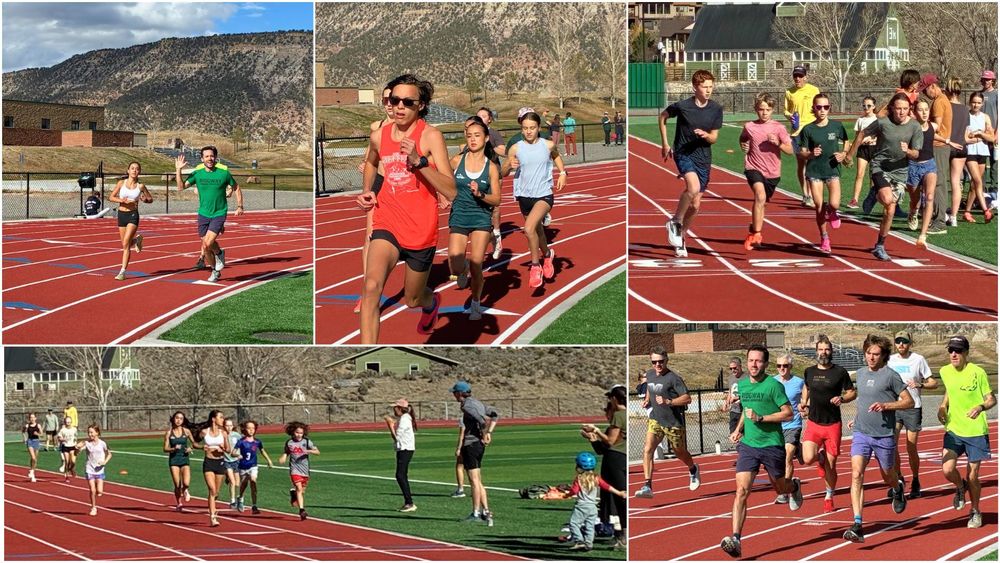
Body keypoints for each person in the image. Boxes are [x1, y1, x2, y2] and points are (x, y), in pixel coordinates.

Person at [356, 74, 457, 343]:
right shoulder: (379, 136)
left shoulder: (431, 136)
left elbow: (451, 190)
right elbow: (371, 161)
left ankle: (430, 302)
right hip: (387, 221)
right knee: (370, 288)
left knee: (412, 299)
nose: (399, 106)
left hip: (420, 230)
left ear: (421, 105)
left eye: (407, 102)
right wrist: (368, 192)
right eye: (394, 100)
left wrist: (420, 161)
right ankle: (368, 356)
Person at [721, 345, 802, 559]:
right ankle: (736, 538)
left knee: (780, 489)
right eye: (750, 360)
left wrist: (762, 418)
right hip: (749, 445)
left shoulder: (773, 386)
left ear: (765, 364)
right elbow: (746, 413)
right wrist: (739, 429)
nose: (754, 365)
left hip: (772, 444)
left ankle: (793, 485)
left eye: (758, 361)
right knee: (741, 491)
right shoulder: (742, 385)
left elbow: (787, 413)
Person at [842, 334, 914, 543]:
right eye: (868, 353)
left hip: (884, 435)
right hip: (861, 433)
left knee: (887, 476)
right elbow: (863, 400)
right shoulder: (861, 374)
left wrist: (887, 406)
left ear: (883, 356)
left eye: (876, 354)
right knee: (856, 475)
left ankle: (897, 487)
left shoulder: (891, 376)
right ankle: (857, 524)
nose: (871, 358)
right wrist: (855, 419)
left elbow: (908, 402)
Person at [844, 92, 923, 261]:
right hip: (880, 166)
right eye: (898, 109)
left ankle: (880, 245)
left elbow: (916, 153)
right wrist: (851, 154)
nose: (901, 112)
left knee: (891, 209)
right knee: (887, 199)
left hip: (900, 171)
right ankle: (876, 191)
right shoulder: (882, 123)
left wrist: (908, 151)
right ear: (892, 109)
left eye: (905, 109)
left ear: (910, 109)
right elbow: (861, 133)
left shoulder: (915, 127)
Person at [502, 109, 567, 289]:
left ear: (539, 127)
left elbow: (556, 156)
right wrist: (509, 165)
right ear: (521, 129)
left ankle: (535, 266)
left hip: (543, 195)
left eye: (532, 127)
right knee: (537, 232)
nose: (529, 131)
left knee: (528, 228)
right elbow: (503, 172)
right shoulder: (515, 148)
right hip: (524, 195)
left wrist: (562, 173)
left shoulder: (547, 145)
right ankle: (547, 254)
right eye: (525, 128)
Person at [662, 70, 724, 258]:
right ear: (695, 87)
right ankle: (675, 220)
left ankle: (681, 237)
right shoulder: (683, 106)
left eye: (711, 87)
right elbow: (663, 117)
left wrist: (707, 136)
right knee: (693, 187)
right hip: (683, 153)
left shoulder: (716, 109)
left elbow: (714, 137)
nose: (708, 90)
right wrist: (665, 143)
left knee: (696, 204)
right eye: (705, 87)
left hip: (703, 157)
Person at [937, 335, 996, 530]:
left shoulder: (978, 372)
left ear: (966, 353)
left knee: (973, 476)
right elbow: (949, 391)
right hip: (954, 429)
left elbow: (991, 399)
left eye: (958, 351)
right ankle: (960, 488)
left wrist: (980, 407)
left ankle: (976, 510)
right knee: (947, 469)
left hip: (976, 431)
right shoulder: (945, 371)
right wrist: (943, 406)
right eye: (951, 350)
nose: (954, 354)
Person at [448, 116, 501, 320]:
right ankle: (463, 270)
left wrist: (481, 195)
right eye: (469, 136)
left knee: (477, 263)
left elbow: (497, 199)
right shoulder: (457, 160)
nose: (472, 139)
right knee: (455, 264)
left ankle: (476, 302)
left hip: (480, 216)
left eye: (477, 136)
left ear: (486, 138)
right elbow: (442, 177)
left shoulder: (491, 168)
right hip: (459, 215)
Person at [634, 346, 700, 498]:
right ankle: (647, 485)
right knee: (648, 449)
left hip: (673, 422)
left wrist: (668, 401)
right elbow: (651, 388)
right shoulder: (650, 374)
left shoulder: (673, 378)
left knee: (680, 452)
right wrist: (646, 400)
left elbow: (687, 398)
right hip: (656, 419)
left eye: (661, 361)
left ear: (666, 360)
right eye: (654, 362)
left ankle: (692, 468)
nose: (657, 365)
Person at [800, 334, 856, 513]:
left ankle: (829, 495)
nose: (823, 353)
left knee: (832, 465)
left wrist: (842, 398)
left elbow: (852, 393)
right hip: (814, 422)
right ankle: (820, 458)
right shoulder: (809, 371)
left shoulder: (839, 372)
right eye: (820, 350)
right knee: (808, 458)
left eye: (827, 349)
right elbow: (806, 387)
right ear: (816, 351)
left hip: (832, 424)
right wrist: (804, 402)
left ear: (831, 351)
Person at [175, 146, 244, 282]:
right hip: (203, 213)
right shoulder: (198, 173)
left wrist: (240, 206)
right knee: (206, 245)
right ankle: (216, 262)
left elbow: (236, 187)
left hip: (219, 212)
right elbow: (180, 187)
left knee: (207, 244)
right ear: (202, 159)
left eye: (212, 156)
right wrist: (178, 170)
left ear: (215, 157)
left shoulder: (223, 173)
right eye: (206, 156)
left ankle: (216, 263)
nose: (209, 159)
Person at [354, 86, 394, 314]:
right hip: (380, 185)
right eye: (386, 99)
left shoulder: (408, 128)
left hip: (403, 188)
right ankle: (368, 292)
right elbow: (371, 156)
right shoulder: (376, 128)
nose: (389, 103)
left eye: (394, 99)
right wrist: (365, 166)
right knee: (369, 238)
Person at [739, 92, 793, 250]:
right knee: (760, 196)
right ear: (756, 109)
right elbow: (742, 138)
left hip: (773, 172)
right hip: (753, 167)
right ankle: (757, 233)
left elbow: (790, 150)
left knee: (762, 203)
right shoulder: (749, 126)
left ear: (772, 110)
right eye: (761, 109)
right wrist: (743, 145)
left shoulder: (779, 128)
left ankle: (753, 229)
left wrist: (778, 144)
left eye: (768, 110)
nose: (764, 113)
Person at [887, 331, 936, 499]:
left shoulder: (918, 359)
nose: (901, 344)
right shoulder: (890, 360)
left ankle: (915, 479)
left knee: (910, 447)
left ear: (910, 343)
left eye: (904, 341)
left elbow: (933, 382)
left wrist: (919, 383)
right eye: (898, 341)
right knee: (891, 444)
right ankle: (899, 478)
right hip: (895, 406)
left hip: (913, 407)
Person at [799, 92, 848, 254]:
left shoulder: (837, 126)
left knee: (834, 203)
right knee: (819, 206)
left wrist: (843, 154)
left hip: (832, 170)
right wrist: (811, 154)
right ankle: (824, 237)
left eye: (825, 107)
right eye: (819, 107)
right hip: (815, 172)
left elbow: (847, 142)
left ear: (829, 108)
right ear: (813, 108)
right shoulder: (808, 129)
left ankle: (832, 210)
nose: (822, 110)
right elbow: (802, 153)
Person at [581, 384, 628, 549]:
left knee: (617, 498)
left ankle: (623, 536)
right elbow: (603, 448)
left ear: (615, 399)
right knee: (617, 499)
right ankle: (620, 535)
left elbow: (610, 442)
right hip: (619, 458)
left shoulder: (619, 415)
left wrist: (596, 430)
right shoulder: (626, 415)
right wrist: (592, 438)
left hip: (614, 461)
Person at [451, 380, 499, 526]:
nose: (453, 395)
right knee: (478, 479)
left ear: (460, 393)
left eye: (454, 393)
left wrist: (485, 433)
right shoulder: (478, 403)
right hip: (477, 445)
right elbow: (495, 415)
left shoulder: (467, 405)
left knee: (473, 480)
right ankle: (486, 511)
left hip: (471, 444)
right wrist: (489, 433)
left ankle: (476, 512)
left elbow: (482, 420)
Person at [565, 452, 626, 552]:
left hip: (581, 506)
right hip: (593, 507)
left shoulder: (579, 479)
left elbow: (574, 491)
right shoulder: (596, 478)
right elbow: (607, 487)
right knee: (590, 526)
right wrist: (619, 493)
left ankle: (579, 541)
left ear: (579, 467)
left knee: (574, 524)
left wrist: (567, 495)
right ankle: (589, 543)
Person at [108, 161, 154, 280]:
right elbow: (111, 197)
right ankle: (138, 240)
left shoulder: (141, 186)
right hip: (121, 214)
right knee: (125, 244)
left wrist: (144, 200)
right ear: (128, 171)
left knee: (126, 243)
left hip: (133, 215)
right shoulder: (121, 183)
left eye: (137, 169)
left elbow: (150, 199)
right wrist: (121, 201)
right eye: (132, 168)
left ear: (139, 172)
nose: (134, 170)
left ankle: (122, 272)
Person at [904, 100, 941, 248]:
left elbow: (931, 136)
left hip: (929, 165)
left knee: (929, 196)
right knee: (915, 199)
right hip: (913, 166)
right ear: (914, 112)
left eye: (926, 109)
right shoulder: (910, 128)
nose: (924, 112)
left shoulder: (933, 126)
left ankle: (923, 235)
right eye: (921, 110)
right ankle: (913, 211)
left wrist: (947, 140)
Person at [784, 65, 821, 206]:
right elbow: (786, 111)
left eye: (800, 76)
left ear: (805, 77)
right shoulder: (789, 92)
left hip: (812, 130)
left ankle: (813, 193)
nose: (797, 79)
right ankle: (806, 194)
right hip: (797, 132)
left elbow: (819, 106)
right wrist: (791, 117)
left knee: (813, 162)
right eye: (795, 76)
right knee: (802, 163)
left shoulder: (813, 90)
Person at [922, 74, 954, 234]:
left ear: (932, 86)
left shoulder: (939, 102)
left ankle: (940, 221)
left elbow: (937, 125)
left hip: (939, 146)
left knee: (939, 183)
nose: (924, 94)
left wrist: (922, 125)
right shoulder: (941, 100)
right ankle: (936, 216)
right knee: (935, 182)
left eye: (925, 90)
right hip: (939, 146)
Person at [475, 107, 507, 261]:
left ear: (489, 119)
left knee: (494, 205)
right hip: (477, 173)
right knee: (479, 205)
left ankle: (496, 233)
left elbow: (503, 150)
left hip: (494, 173)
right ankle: (487, 235)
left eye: (484, 116)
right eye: (478, 116)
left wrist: (495, 147)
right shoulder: (473, 132)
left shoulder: (493, 134)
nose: (480, 118)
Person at [772, 354, 804, 504]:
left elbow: (806, 400)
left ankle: (785, 491)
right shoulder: (772, 382)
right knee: (777, 459)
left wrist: (805, 407)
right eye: (779, 366)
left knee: (788, 456)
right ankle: (799, 448)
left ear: (790, 367)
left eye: (785, 366)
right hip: (777, 426)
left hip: (793, 424)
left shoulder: (799, 383)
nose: (782, 369)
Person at [962, 91, 995, 222]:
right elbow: (965, 137)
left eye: (979, 103)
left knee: (974, 185)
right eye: (974, 102)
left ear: (982, 104)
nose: (976, 105)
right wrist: (977, 137)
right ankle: (986, 210)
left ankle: (967, 211)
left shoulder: (985, 117)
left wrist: (980, 134)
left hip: (982, 152)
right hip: (970, 151)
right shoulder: (966, 116)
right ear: (970, 102)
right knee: (978, 181)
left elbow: (991, 137)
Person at [193, 410, 230, 527]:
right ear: (214, 419)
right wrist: (201, 447)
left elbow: (228, 449)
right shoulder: (205, 432)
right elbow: (194, 443)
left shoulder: (223, 433)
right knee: (212, 490)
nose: (222, 420)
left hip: (220, 463)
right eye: (221, 417)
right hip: (208, 463)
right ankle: (213, 517)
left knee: (216, 492)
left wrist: (222, 449)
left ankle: (212, 503)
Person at [279, 421, 320, 521]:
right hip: (294, 469)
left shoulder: (306, 442)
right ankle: (302, 510)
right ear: (293, 432)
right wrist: (283, 457)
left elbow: (317, 452)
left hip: (305, 469)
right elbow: (286, 452)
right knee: (299, 488)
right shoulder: (289, 443)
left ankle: (294, 494)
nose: (299, 435)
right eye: (297, 432)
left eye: (301, 433)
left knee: (301, 491)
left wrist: (309, 451)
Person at [385, 398, 417, 512]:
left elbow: (397, 437)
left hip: (405, 449)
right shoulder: (405, 418)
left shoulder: (404, 419)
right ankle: (408, 502)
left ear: (399, 408)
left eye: (395, 407)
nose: (393, 409)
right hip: (404, 449)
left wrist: (390, 425)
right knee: (401, 475)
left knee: (400, 475)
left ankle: (409, 502)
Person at [945, 78, 970, 227]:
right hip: (961, 148)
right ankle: (953, 216)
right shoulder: (965, 109)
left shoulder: (945, 106)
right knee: (956, 182)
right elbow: (966, 133)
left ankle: (939, 212)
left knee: (939, 180)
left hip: (945, 146)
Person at [235, 420, 274, 515]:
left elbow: (262, 451)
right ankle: (240, 498)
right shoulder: (241, 442)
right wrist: (237, 455)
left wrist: (269, 460)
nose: (251, 430)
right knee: (244, 484)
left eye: (253, 428)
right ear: (245, 429)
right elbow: (233, 451)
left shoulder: (257, 442)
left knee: (253, 481)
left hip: (253, 466)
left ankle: (254, 505)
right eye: (249, 428)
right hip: (243, 466)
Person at [848, 96, 879, 209]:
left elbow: (882, 135)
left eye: (869, 105)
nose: (866, 108)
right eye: (864, 105)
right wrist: (853, 148)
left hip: (875, 148)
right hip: (863, 150)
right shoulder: (860, 120)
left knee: (873, 176)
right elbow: (857, 137)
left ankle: (871, 199)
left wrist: (873, 139)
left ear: (874, 107)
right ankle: (854, 199)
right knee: (860, 174)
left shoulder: (878, 119)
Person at [76, 424, 112, 516]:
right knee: (92, 490)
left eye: (92, 432)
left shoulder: (102, 443)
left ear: (97, 432)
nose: (90, 434)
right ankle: (93, 507)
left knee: (99, 491)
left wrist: (104, 462)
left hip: (99, 470)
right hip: (90, 469)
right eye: (88, 432)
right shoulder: (87, 443)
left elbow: (109, 454)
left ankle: (97, 491)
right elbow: (77, 452)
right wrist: (77, 449)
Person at [163, 411, 196, 511]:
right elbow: (165, 449)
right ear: (173, 419)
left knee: (186, 483)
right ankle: (179, 503)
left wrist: (191, 449)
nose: (178, 420)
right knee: (177, 484)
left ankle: (185, 490)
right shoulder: (169, 433)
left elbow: (194, 443)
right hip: (174, 460)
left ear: (183, 420)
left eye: (181, 419)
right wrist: (173, 449)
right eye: (177, 418)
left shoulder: (186, 431)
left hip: (184, 459)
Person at [980, 70, 997, 190]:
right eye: (984, 79)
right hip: (981, 132)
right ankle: (982, 186)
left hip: (993, 132)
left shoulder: (996, 94)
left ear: (993, 81)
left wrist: (997, 133)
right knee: (981, 160)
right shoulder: (979, 94)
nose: (986, 81)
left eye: (988, 79)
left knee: (994, 160)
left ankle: (994, 185)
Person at [222, 417, 242, 511]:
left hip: (236, 460)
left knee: (237, 483)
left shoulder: (236, 435)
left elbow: (242, 445)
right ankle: (232, 501)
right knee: (232, 482)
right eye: (227, 425)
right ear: (224, 426)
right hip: (226, 461)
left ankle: (239, 499)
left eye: (230, 425)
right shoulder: (222, 435)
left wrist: (240, 454)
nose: (229, 427)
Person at [723, 358, 745, 434]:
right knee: (732, 434)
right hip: (733, 410)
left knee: (742, 434)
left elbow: (750, 393)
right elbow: (730, 391)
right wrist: (726, 402)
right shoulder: (731, 378)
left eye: (735, 368)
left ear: (740, 366)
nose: (733, 370)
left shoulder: (747, 378)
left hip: (743, 411)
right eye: (731, 368)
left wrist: (738, 397)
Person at [56, 415, 78, 481]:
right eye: (67, 422)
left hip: (72, 446)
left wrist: (76, 445)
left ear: (71, 422)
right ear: (65, 423)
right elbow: (59, 437)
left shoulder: (74, 429)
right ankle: (67, 475)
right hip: (65, 447)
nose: (68, 424)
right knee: (67, 461)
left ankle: (71, 469)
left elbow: (76, 437)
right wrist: (62, 439)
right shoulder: (63, 430)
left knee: (73, 461)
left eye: (69, 422)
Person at [22, 413, 42, 482]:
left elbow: (42, 434)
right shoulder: (27, 426)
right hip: (30, 441)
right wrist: (24, 438)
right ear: (29, 418)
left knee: (35, 459)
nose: (32, 419)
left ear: (35, 418)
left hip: (36, 442)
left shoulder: (38, 425)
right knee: (33, 457)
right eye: (31, 417)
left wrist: (38, 434)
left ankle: (32, 473)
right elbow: (23, 431)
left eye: (33, 417)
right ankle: (32, 471)